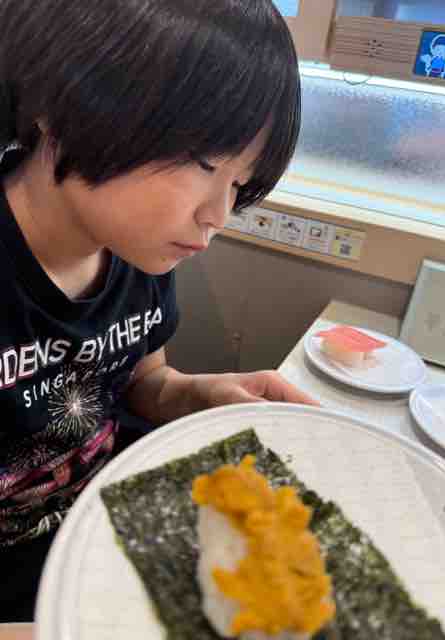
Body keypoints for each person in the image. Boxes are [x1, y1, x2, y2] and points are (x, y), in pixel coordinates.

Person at [0, 0, 315, 624]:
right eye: (203, 163)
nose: (217, 216)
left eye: (238, 183)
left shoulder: (133, 248)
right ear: (59, 103)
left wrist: (200, 395)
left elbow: (143, 382)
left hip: (107, 531)